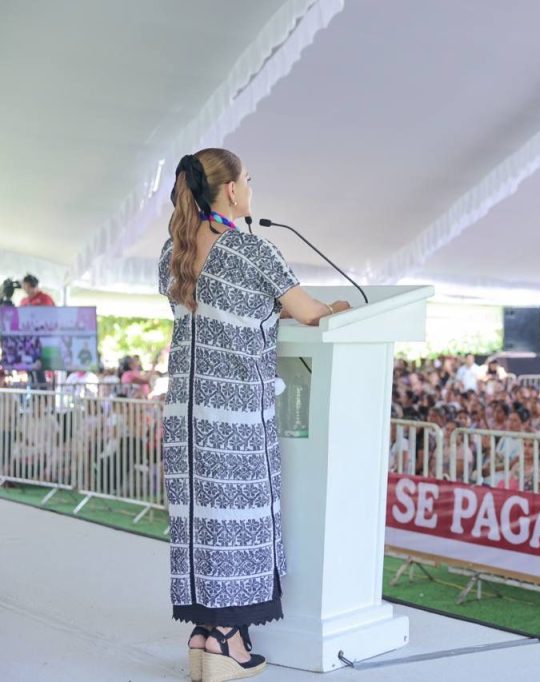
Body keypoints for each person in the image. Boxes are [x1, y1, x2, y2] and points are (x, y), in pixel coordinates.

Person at [159, 149, 349, 682]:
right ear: (232, 191)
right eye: (248, 180)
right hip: (236, 415)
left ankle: (204, 635)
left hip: (186, 419)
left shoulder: (171, 253)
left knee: (202, 521)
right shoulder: (252, 250)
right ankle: (227, 639)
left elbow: (217, 309)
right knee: (239, 522)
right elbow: (309, 313)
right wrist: (337, 310)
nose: (250, 188)